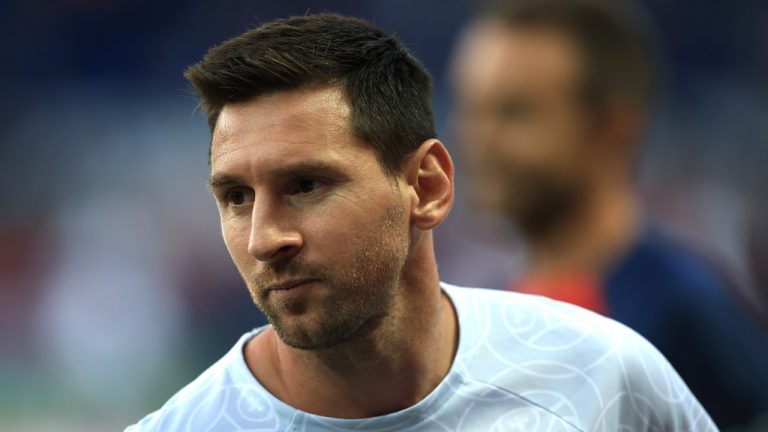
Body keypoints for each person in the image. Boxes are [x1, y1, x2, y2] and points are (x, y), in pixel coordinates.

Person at [127, 13, 716, 431]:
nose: (263, 238)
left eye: (306, 186)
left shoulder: (602, 374)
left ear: (426, 187)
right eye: (235, 197)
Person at [451, 0, 768, 429]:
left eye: (514, 113)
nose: (472, 139)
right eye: (472, 108)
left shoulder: (687, 316)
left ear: (612, 130)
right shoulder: (488, 317)